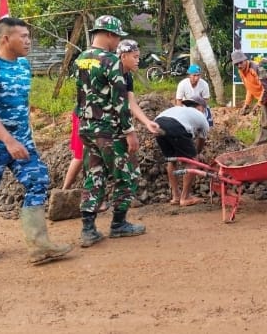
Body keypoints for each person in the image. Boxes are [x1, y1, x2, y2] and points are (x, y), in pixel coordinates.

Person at [0, 17, 72, 264]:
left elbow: (21, 104)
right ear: (6, 39)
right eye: (23, 37)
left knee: (38, 180)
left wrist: (24, 136)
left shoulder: (24, 65)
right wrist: (8, 141)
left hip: (21, 141)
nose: (28, 41)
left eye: (28, 36)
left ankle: (38, 245)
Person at [76, 15, 146, 248]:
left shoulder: (82, 58)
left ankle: (88, 229)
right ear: (107, 34)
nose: (118, 42)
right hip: (109, 129)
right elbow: (120, 101)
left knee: (93, 175)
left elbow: (81, 95)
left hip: (86, 127)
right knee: (127, 174)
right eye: (116, 36)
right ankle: (118, 224)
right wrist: (130, 131)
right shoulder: (110, 61)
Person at [62, 39, 159, 194]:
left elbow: (130, 103)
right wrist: (129, 131)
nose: (138, 61)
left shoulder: (127, 77)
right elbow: (116, 103)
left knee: (104, 157)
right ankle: (64, 191)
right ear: (123, 56)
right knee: (82, 155)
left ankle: (106, 197)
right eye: (135, 57)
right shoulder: (108, 68)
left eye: (138, 57)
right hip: (87, 117)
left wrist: (147, 122)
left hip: (106, 120)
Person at [154, 96, 210, 206]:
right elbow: (201, 140)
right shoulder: (202, 117)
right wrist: (196, 155)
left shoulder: (178, 109)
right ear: (202, 108)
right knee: (192, 161)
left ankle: (176, 196)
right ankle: (185, 198)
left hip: (157, 124)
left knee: (172, 160)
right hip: (175, 125)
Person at [231, 50, 267, 145]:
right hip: (262, 97)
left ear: (245, 60)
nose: (239, 65)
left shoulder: (255, 68)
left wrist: (259, 103)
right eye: (237, 64)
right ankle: (260, 144)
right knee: (264, 122)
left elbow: (266, 87)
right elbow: (249, 88)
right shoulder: (241, 71)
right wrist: (246, 104)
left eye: (241, 62)